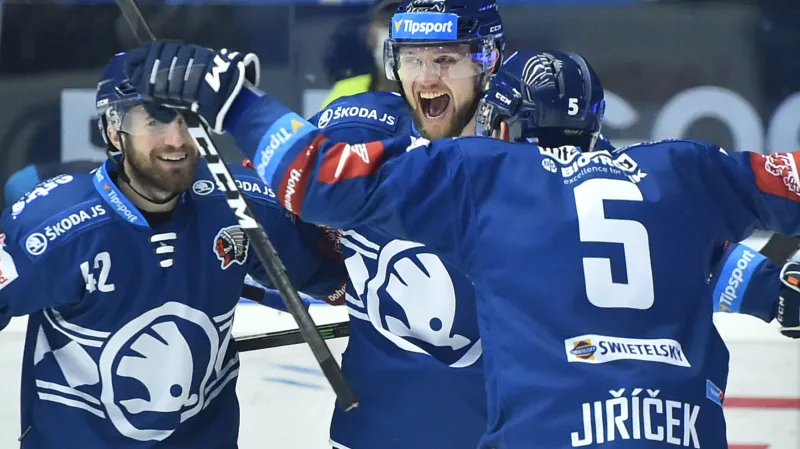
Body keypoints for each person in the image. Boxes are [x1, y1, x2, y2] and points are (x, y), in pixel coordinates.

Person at [122, 41, 800, 447]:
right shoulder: (674, 172)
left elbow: (315, 178)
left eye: (444, 58)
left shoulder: (486, 177)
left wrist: (235, 102)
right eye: (415, 57)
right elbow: (669, 253)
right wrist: (776, 288)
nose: (427, 77)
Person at [0, 53, 345, 448]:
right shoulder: (54, 227)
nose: (178, 139)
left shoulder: (241, 202)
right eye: (155, 120)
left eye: (187, 117)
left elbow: (339, 282)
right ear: (114, 132)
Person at [320, 0, 402, 108]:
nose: (396, 30)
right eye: (387, 23)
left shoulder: (428, 95)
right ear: (370, 36)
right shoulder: (344, 95)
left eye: (405, 24)